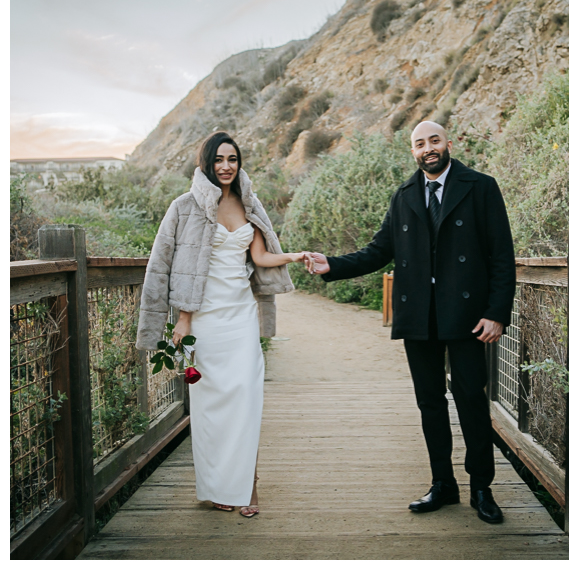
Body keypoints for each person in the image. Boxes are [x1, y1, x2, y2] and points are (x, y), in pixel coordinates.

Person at [306, 121, 516, 523]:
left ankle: (481, 488)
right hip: (419, 317)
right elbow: (378, 250)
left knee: (471, 401)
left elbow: (502, 256)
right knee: (430, 404)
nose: (428, 149)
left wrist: (496, 313)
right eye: (419, 144)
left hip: (469, 317)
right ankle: (443, 484)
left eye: (434, 140)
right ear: (413, 151)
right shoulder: (404, 195)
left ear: (447, 144)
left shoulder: (480, 186)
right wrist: (332, 264)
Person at [136, 131, 311, 515]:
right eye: (218, 160)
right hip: (205, 320)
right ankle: (218, 485)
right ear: (206, 163)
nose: (226, 166)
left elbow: (261, 258)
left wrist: (296, 256)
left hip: (241, 315)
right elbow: (168, 265)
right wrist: (182, 320)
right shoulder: (184, 207)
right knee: (211, 404)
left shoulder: (250, 203)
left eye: (232, 159)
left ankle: (248, 486)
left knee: (247, 399)